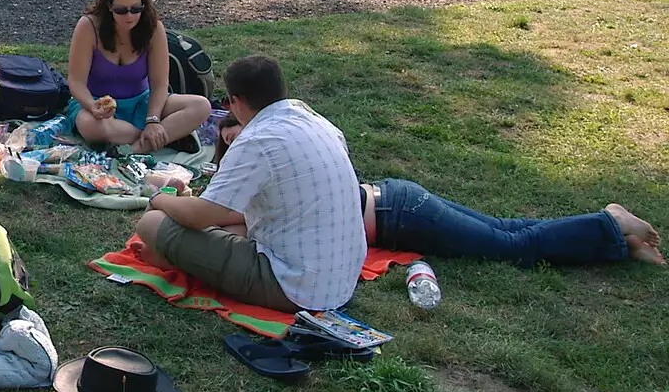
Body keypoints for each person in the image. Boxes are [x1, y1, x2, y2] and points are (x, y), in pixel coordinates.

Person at [210, 117, 663, 266]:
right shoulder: (254, 181)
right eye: (227, 140)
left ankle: (610, 222)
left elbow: (225, 221)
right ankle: (618, 243)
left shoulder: (265, 169)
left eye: (238, 134)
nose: (233, 143)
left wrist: (182, 207)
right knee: (509, 231)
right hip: (398, 203)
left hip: (401, 214)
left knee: (511, 247)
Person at [132, 55, 366, 311]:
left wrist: (159, 199)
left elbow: (199, 217)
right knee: (232, 227)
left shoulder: (256, 140)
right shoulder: (318, 122)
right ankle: (174, 255)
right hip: (341, 277)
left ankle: (171, 256)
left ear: (235, 102)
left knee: (152, 222)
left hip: (295, 288)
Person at [65, 0, 210, 149]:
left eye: (136, 9)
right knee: (92, 127)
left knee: (201, 106)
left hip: (142, 101)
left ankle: (136, 148)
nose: (130, 16)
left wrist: (153, 120)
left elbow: (159, 84)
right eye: (121, 10)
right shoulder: (88, 26)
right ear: (109, 6)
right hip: (97, 104)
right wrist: (92, 106)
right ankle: (163, 138)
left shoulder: (153, 28)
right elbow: (76, 81)